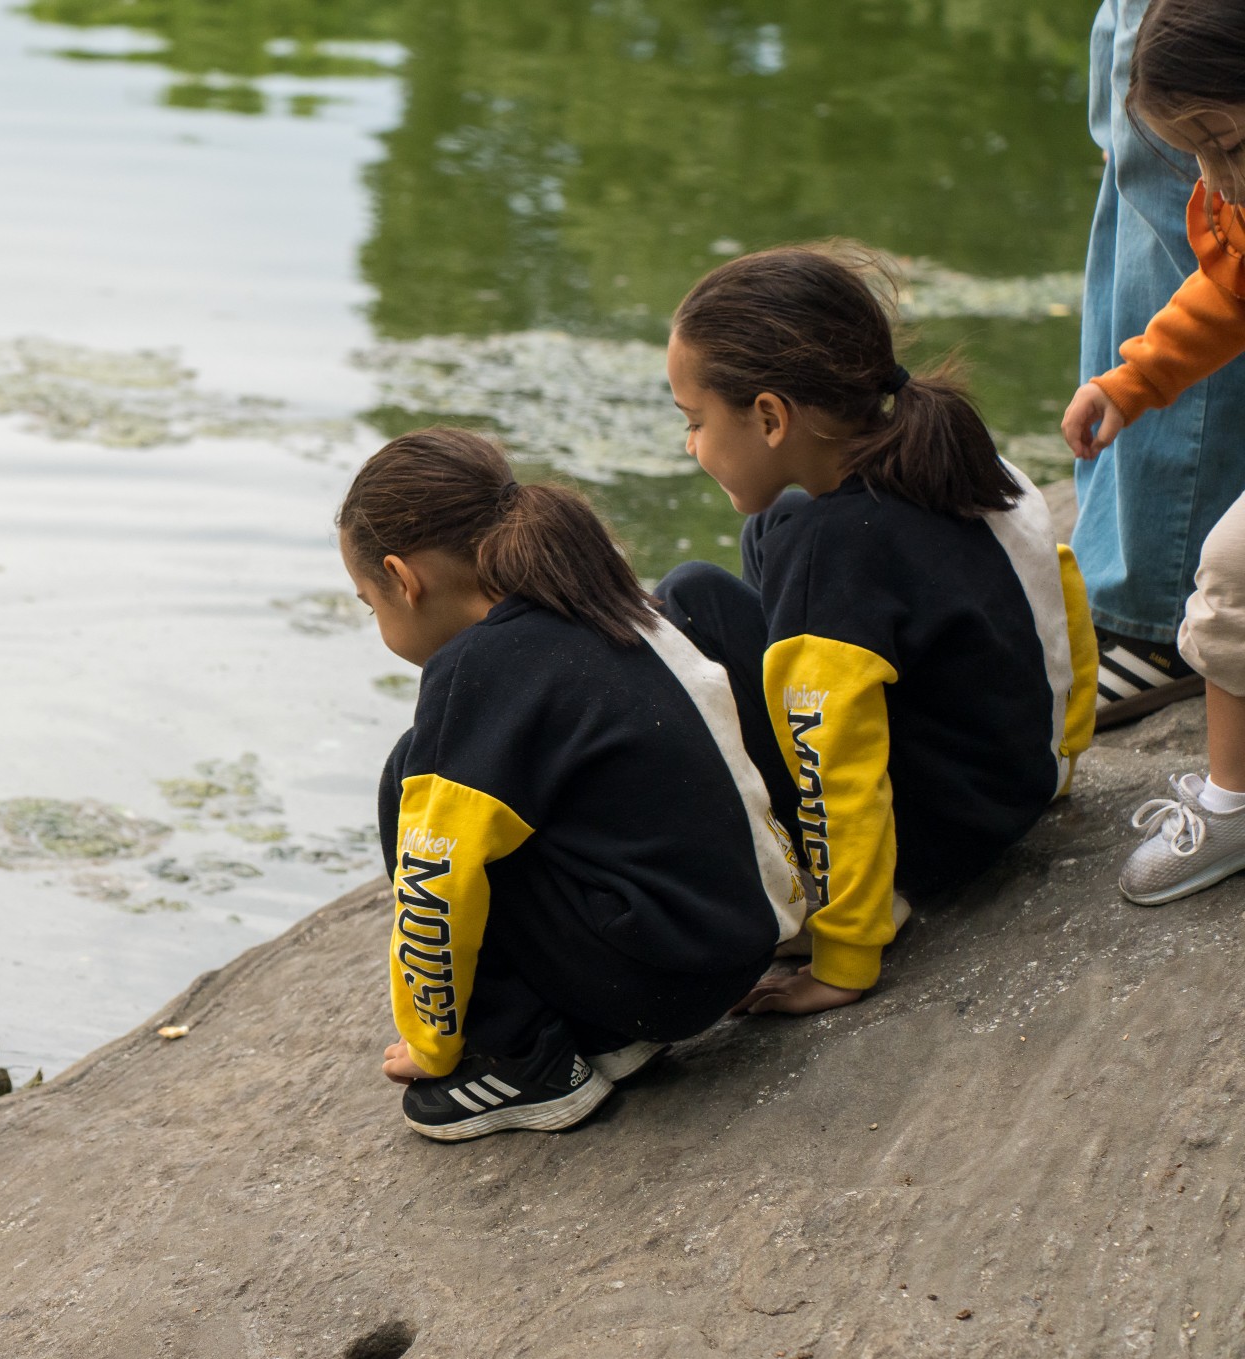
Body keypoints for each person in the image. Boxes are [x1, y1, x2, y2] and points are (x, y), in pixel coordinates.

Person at [663, 245, 1098, 1017]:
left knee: (691, 599)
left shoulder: (835, 551)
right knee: (776, 526)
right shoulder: (956, 451)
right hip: (1016, 782)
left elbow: (836, 762)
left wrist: (845, 953)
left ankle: (858, 893)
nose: (689, 445)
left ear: (769, 416)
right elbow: (1056, 578)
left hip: (935, 841)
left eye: (694, 422)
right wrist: (1058, 758)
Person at [342, 427, 806, 1142]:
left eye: (371, 603)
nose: (380, 617)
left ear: (405, 580)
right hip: (740, 943)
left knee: (413, 773)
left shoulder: (477, 668)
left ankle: (526, 1064)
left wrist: (434, 1045)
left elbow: (437, 882)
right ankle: (611, 1037)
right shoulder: (601, 596)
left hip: (662, 981)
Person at [1063, 0, 1245, 904]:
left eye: (1230, 147)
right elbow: (1221, 300)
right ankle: (1234, 795)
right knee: (1231, 573)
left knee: (1218, 575)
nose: (1214, 182)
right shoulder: (1236, 208)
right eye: (1197, 156)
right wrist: (1126, 384)